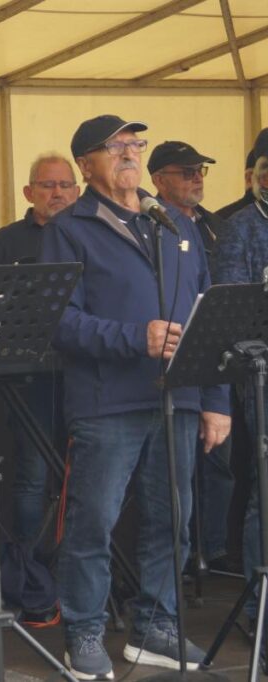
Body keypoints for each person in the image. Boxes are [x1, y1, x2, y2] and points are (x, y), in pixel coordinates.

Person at [41, 115, 230, 680]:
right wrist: (134, 338)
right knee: (94, 522)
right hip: (108, 401)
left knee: (173, 520)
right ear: (86, 164)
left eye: (135, 144)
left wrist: (216, 398)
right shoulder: (68, 229)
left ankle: (156, 628)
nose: (129, 153)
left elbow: (209, 314)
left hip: (179, 398)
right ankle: (84, 630)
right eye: (115, 145)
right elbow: (58, 322)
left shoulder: (173, 224)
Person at [0, 153, 79, 548]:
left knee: (85, 473)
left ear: (77, 191)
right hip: (27, 374)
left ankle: (75, 566)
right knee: (33, 474)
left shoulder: (88, 236)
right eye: (47, 185)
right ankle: (29, 567)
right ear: (28, 192)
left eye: (65, 185)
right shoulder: (7, 241)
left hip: (83, 371)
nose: (57, 193)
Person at [148, 140, 236, 572]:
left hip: (210, 362)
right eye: (187, 172)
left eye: (201, 170)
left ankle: (211, 553)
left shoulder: (214, 226)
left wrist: (216, 396)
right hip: (160, 373)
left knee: (218, 466)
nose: (197, 178)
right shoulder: (150, 228)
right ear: (158, 180)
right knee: (164, 494)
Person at [214, 144, 268, 631]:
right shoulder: (240, 229)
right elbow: (233, 313)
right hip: (262, 373)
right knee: (265, 490)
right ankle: (258, 610)